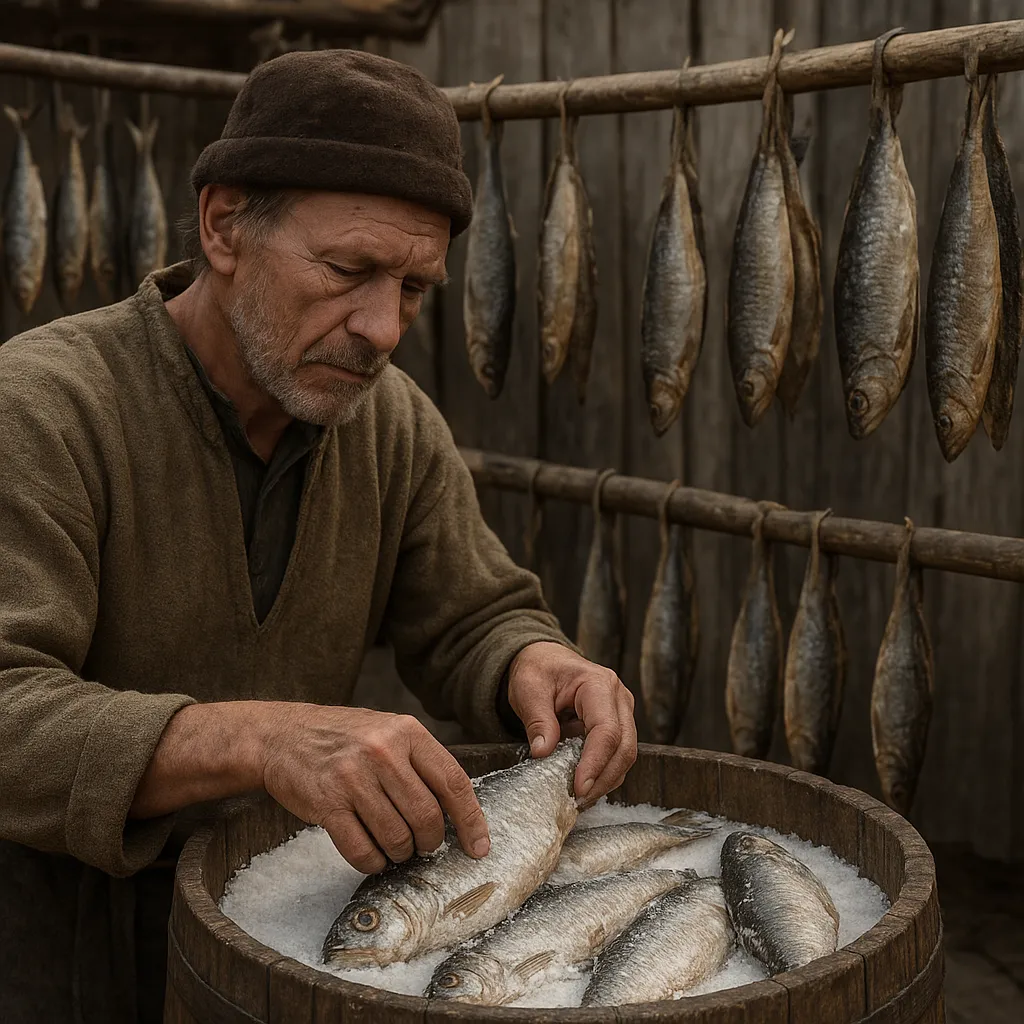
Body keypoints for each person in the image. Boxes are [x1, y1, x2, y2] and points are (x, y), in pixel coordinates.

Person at [0, 48, 637, 1024]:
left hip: (282, 947)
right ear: (224, 225)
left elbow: (473, 614)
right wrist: (258, 737)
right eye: (349, 269)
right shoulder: (42, 407)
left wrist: (535, 659)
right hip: (53, 960)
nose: (383, 327)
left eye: (416, 288)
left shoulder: (388, 422)